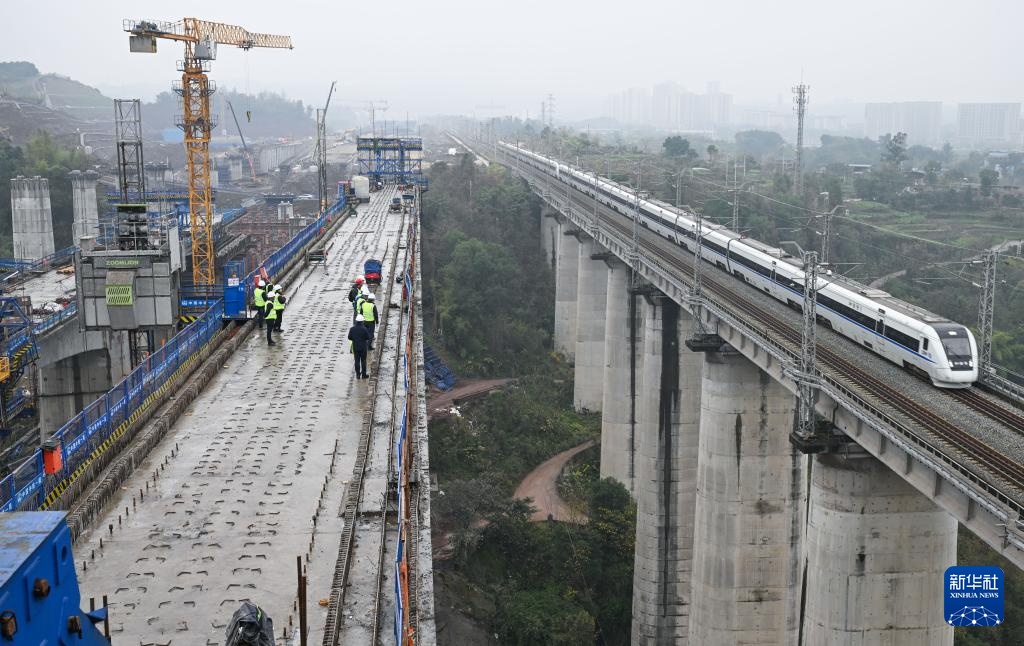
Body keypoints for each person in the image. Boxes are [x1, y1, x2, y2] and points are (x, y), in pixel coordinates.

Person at [348, 314, 370, 378]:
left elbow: (349, 337)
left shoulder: (352, 329)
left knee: (357, 361)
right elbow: (367, 337)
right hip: (363, 347)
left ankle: (358, 374)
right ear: (362, 321)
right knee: (363, 361)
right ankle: (364, 374)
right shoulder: (364, 329)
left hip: (355, 347)